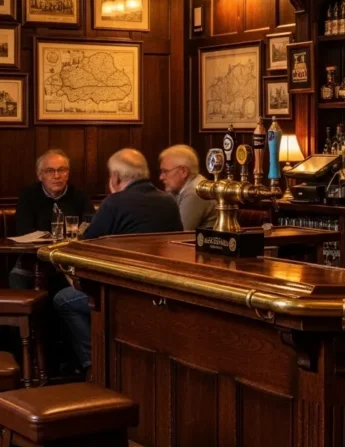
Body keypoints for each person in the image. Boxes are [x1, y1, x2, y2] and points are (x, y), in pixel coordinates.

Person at [54, 148, 181, 372]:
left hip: (122, 291)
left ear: (115, 177)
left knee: (63, 299)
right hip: (162, 291)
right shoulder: (168, 201)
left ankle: (94, 366)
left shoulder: (115, 202)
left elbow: (84, 245)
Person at [10, 149, 92, 290]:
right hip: (33, 259)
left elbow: (90, 226)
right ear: (40, 175)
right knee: (18, 278)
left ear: (68, 173)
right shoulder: (28, 196)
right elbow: (23, 230)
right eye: (50, 171)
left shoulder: (80, 195)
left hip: (69, 259)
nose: (57, 176)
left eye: (62, 170)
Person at [158, 144, 217, 230]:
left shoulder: (195, 192)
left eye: (165, 171)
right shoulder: (181, 187)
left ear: (183, 171)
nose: (161, 177)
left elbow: (179, 233)